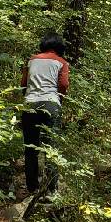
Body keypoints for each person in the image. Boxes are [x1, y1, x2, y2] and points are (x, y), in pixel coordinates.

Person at [20, 32, 69, 195]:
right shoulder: (61, 62)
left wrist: (29, 98)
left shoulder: (32, 60)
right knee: (51, 148)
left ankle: (32, 188)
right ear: (59, 47)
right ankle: (51, 189)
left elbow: (23, 84)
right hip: (50, 104)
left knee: (30, 148)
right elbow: (63, 86)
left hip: (29, 104)